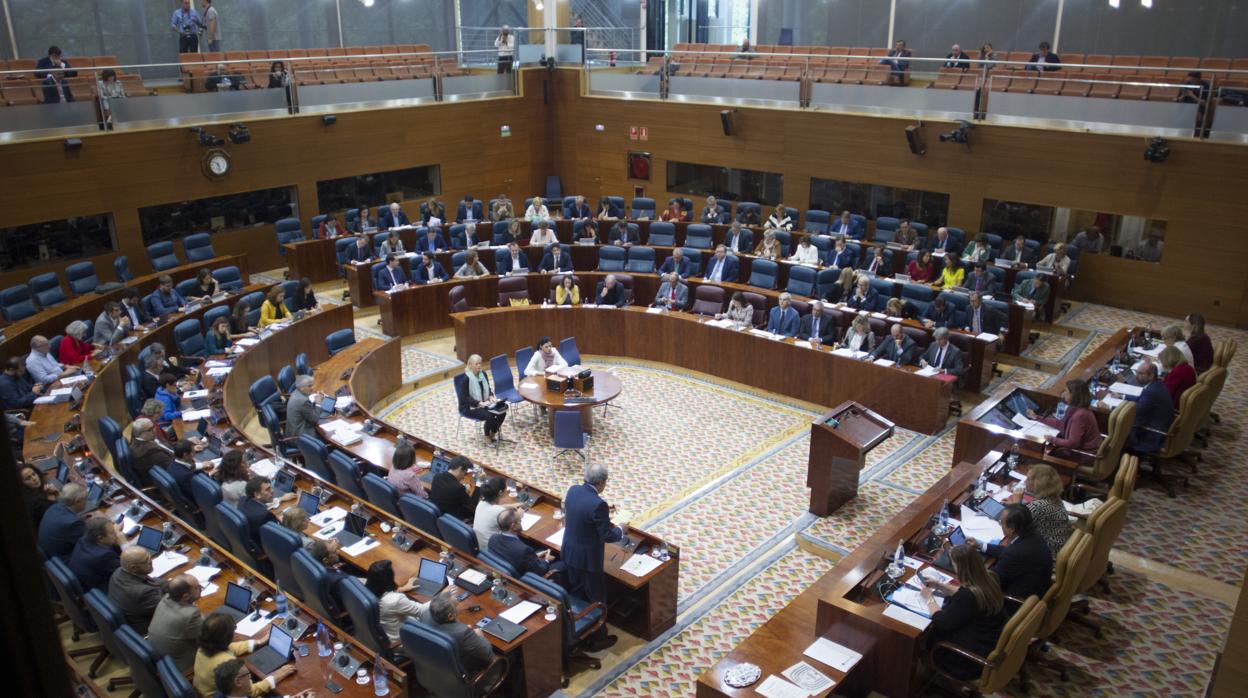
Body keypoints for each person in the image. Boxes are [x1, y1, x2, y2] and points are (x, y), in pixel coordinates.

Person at [922, 544, 1007, 682]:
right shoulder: (990, 577)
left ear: (960, 568)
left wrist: (929, 598)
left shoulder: (968, 597)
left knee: (927, 634)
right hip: (988, 641)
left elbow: (942, 621)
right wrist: (939, 585)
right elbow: (965, 593)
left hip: (968, 659)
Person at [562, 464, 623, 650]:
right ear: (602, 482)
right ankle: (598, 638)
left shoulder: (573, 490)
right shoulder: (597, 504)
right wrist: (621, 530)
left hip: (570, 553)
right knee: (597, 599)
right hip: (588, 561)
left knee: (578, 592)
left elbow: (582, 512)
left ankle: (580, 631)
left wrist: (605, 512)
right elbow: (607, 535)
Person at [194, 613, 295, 698]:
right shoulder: (226, 662)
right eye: (234, 628)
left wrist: (259, 642)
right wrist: (277, 676)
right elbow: (250, 691)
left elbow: (230, 647)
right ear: (226, 636)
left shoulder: (203, 648)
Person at [967, 504, 1053, 599]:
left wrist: (967, 565)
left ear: (1012, 529)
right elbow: (1009, 551)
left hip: (1013, 603)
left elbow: (989, 583)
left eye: (1001, 522)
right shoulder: (1033, 535)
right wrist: (980, 545)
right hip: (1035, 591)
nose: (1000, 526)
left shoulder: (1015, 553)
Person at [423, 591, 497, 674]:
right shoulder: (463, 632)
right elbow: (487, 654)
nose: (460, 607)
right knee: (510, 657)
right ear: (450, 616)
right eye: (457, 605)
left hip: (438, 663)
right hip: (465, 669)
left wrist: (463, 628)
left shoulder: (425, 616)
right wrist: (480, 636)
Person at [1011, 464, 1072, 559]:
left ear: (1037, 483)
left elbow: (1014, 527)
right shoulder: (1055, 497)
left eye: (1028, 479)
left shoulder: (1038, 506)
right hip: (1060, 546)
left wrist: (1016, 504)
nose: (1025, 482)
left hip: (1048, 556)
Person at [1030, 378, 1102, 458]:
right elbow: (1061, 424)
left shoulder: (1080, 415)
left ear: (1074, 395)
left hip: (1085, 454)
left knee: (1042, 455)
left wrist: (1052, 439)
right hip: (1079, 450)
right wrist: (1037, 417)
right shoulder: (1073, 408)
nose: (1063, 394)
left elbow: (1073, 443)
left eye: (1066, 392)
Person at [149, 574, 204, 670]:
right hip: (181, 666)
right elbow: (207, 636)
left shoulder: (165, 599)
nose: (201, 588)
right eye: (198, 587)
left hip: (159, 657)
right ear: (186, 597)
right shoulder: (190, 614)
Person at [108, 547, 168, 635]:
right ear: (134, 568)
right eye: (146, 560)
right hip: (148, 628)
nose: (151, 561)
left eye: (149, 556)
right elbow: (168, 608)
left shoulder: (119, 572)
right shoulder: (142, 592)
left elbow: (153, 582)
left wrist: (171, 583)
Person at [489, 508, 561, 579]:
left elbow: (515, 557)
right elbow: (541, 570)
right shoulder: (523, 550)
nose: (521, 522)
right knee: (562, 563)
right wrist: (546, 559)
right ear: (513, 526)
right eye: (520, 521)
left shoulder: (493, 539)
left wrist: (534, 556)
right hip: (527, 578)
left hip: (507, 573)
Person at [1126, 361, 1175, 455]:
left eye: (1140, 373)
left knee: (1120, 425)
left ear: (1151, 376)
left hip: (1150, 435)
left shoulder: (1151, 392)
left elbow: (1135, 412)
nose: (1136, 376)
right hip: (1159, 428)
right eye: (1136, 372)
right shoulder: (1156, 385)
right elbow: (1141, 399)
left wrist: (1110, 407)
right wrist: (1123, 397)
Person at [69, 516, 122, 592]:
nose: (116, 534)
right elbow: (128, 570)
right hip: (102, 591)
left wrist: (114, 540)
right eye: (112, 532)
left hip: (85, 584)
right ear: (100, 537)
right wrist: (123, 543)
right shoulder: (103, 556)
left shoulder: (83, 540)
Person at [460, 354, 507, 442]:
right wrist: (478, 403)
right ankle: (486, 435)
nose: (479, 366)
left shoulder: (483, 374)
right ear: (470, 365)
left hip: (485, 403)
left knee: (502, 412)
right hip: (470, 407)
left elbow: (487, 388)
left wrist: (491, 396)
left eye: (480, 363)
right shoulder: (466, 379)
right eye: (476, 364)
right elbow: (465, 398)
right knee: (490, 416)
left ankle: (493, 432)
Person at [473, 476, 523, 550]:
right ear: (500, 492)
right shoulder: (499, 511)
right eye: (506, 489)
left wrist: (511, 505)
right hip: (492, 549)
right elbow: (515, 526)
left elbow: (494, 508)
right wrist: (519, 515)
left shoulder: (481, 503)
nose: (507, 490)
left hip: (479, 546)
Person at [38, 483, 87, 559]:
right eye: (85, 499)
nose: (86, 502)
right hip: (64, 560)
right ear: (78, 501)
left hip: (48, 553)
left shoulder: (54, 507)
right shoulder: (74, 523)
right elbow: (88, 544)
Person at [430, 456, 479, 520]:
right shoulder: (458, 488)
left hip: (437, 515)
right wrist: (476, 487)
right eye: (465, 473)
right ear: (460, 469)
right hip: (450, 519)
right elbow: (472, 506)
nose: (464, 477)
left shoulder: (437, 477)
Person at [239, 477, 281, 548]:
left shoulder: (243, 500)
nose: (272, 491)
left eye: (271, 488)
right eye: (268, 489)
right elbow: (278, 535)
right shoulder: (264, 516)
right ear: (257, 495)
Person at [285, 375, 320, 439]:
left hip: (292, 432)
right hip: (300, 437)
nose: (313, 388)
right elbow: (315, 420)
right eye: (309, 386)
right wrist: (318, 404)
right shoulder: (303, 401)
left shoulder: (295, 392)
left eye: (312, 385)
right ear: (301, 388)